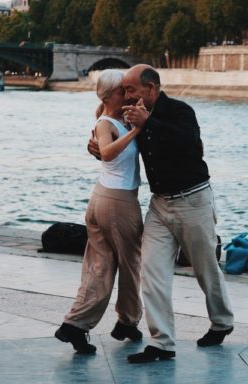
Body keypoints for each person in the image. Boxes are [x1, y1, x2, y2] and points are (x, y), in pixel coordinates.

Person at [89, 64, 234, 363]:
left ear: (151, 89)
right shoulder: (132, 117)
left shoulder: (180, 112)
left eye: (130, 89)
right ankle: (162, 343)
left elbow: (194, 147)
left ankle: (221, 322)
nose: (125, 95)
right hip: (159, 205)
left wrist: (149, 123)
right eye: (124, 91)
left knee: (205, 268)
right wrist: (96, 147)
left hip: (193, 201)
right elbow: (113, 142)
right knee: (151, 271)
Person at [56, 69, 144, 354]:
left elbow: (102, 142)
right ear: (110, 96)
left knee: (99, 266)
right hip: (118, 201)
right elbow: (106, 153)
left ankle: (75, 326)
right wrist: (135, 132)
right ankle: (127, 322)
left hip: (101, 199)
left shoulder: (110, 119)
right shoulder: (109, 124)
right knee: (130, 264)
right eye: (123, 92)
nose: (128, 95)